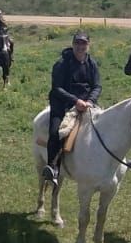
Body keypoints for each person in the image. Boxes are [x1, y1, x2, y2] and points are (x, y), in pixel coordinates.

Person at [43, 32, 102, 185]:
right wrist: (76, 101)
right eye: (77, 43)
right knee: (56, 132)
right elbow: (57, 88)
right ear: (73, 44)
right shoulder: (62, 64)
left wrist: (90, 100)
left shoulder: (91, 63)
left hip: (86, 103)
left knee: (104, 125)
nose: (80, 47)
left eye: (83, 44)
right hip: (62, 104)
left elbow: (97, 86)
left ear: (88, 45)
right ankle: (52, 168)